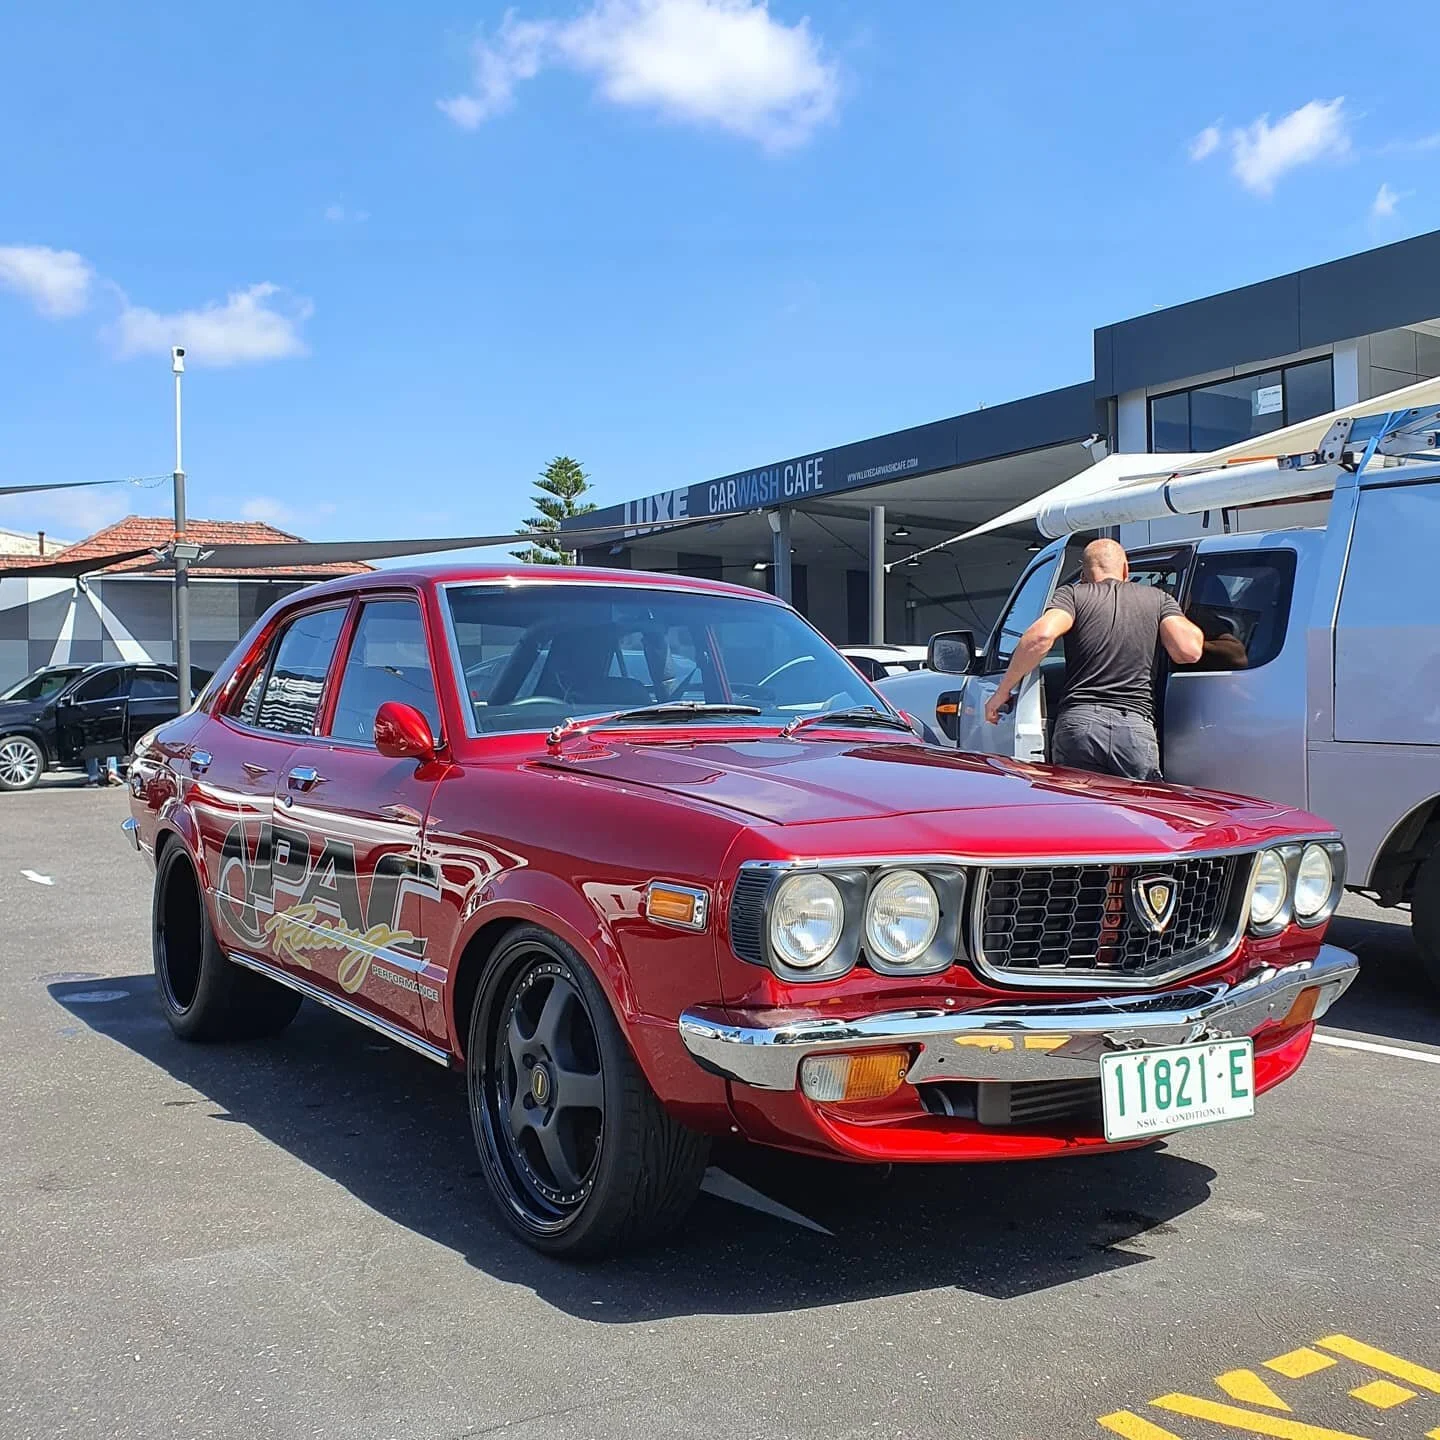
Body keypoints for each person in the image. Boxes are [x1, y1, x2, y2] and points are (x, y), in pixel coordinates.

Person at [983, 538, 1205, 781]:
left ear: (1084, 572)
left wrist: (1003, 691)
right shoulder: (1158, 599)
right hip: (1134, 726)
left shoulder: (1072, 595)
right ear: (1125, 569)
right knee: (1139, 813)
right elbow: (1189, 651)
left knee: (1082, 812)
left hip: (1079, 725)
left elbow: (1040, 636)